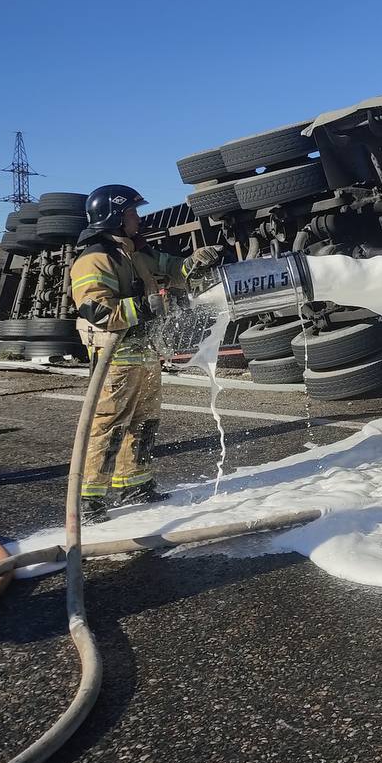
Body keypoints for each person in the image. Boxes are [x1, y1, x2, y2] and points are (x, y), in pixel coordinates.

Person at [69, 185, 224, 522]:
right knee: (108, 426)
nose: (138, 219)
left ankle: (133, 483)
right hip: (115, 357)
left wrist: (194, 263)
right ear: (114, 217)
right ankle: (89, 498)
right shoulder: (94, 260)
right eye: (131, 213)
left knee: (145, 423)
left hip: (146, 351)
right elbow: (97, 311)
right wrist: (149, 305)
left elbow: (173, 268)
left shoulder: (136, 252)